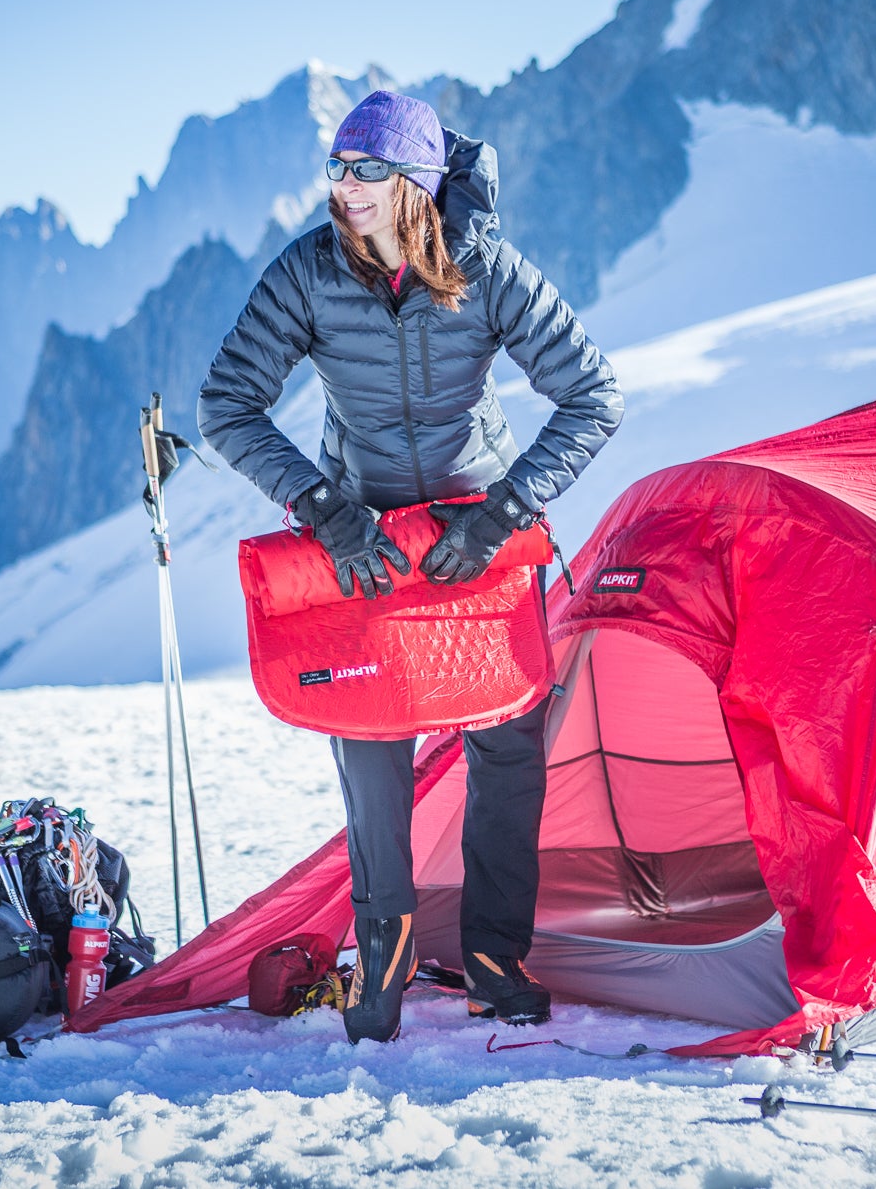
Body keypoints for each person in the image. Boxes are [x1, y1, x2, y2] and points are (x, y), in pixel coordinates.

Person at [198, 90, 622, 1043]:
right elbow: (226, 401)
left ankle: (494, 963)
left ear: (417, 185)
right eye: (337, 169)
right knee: (372, 750)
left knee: (506, 752)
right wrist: (323, 510)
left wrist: (509, 508)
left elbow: (594, 392)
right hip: (370, 547)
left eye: (367, 171)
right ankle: (380, 971)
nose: (343, 189)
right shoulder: (308, 273)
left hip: (481, 538)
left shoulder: (485, 267)